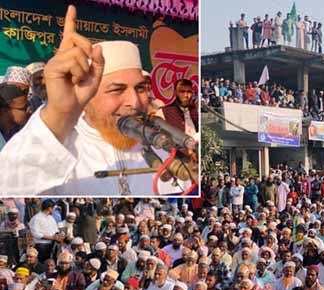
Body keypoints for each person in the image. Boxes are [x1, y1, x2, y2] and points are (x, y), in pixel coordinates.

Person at [0, 6, 192, 195]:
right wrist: (58, 115)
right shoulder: (61, 148)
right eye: (117, 89)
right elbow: (9, 185)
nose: (134, 102)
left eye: (140, 88)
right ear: (88, 96)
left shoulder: (163, 146)